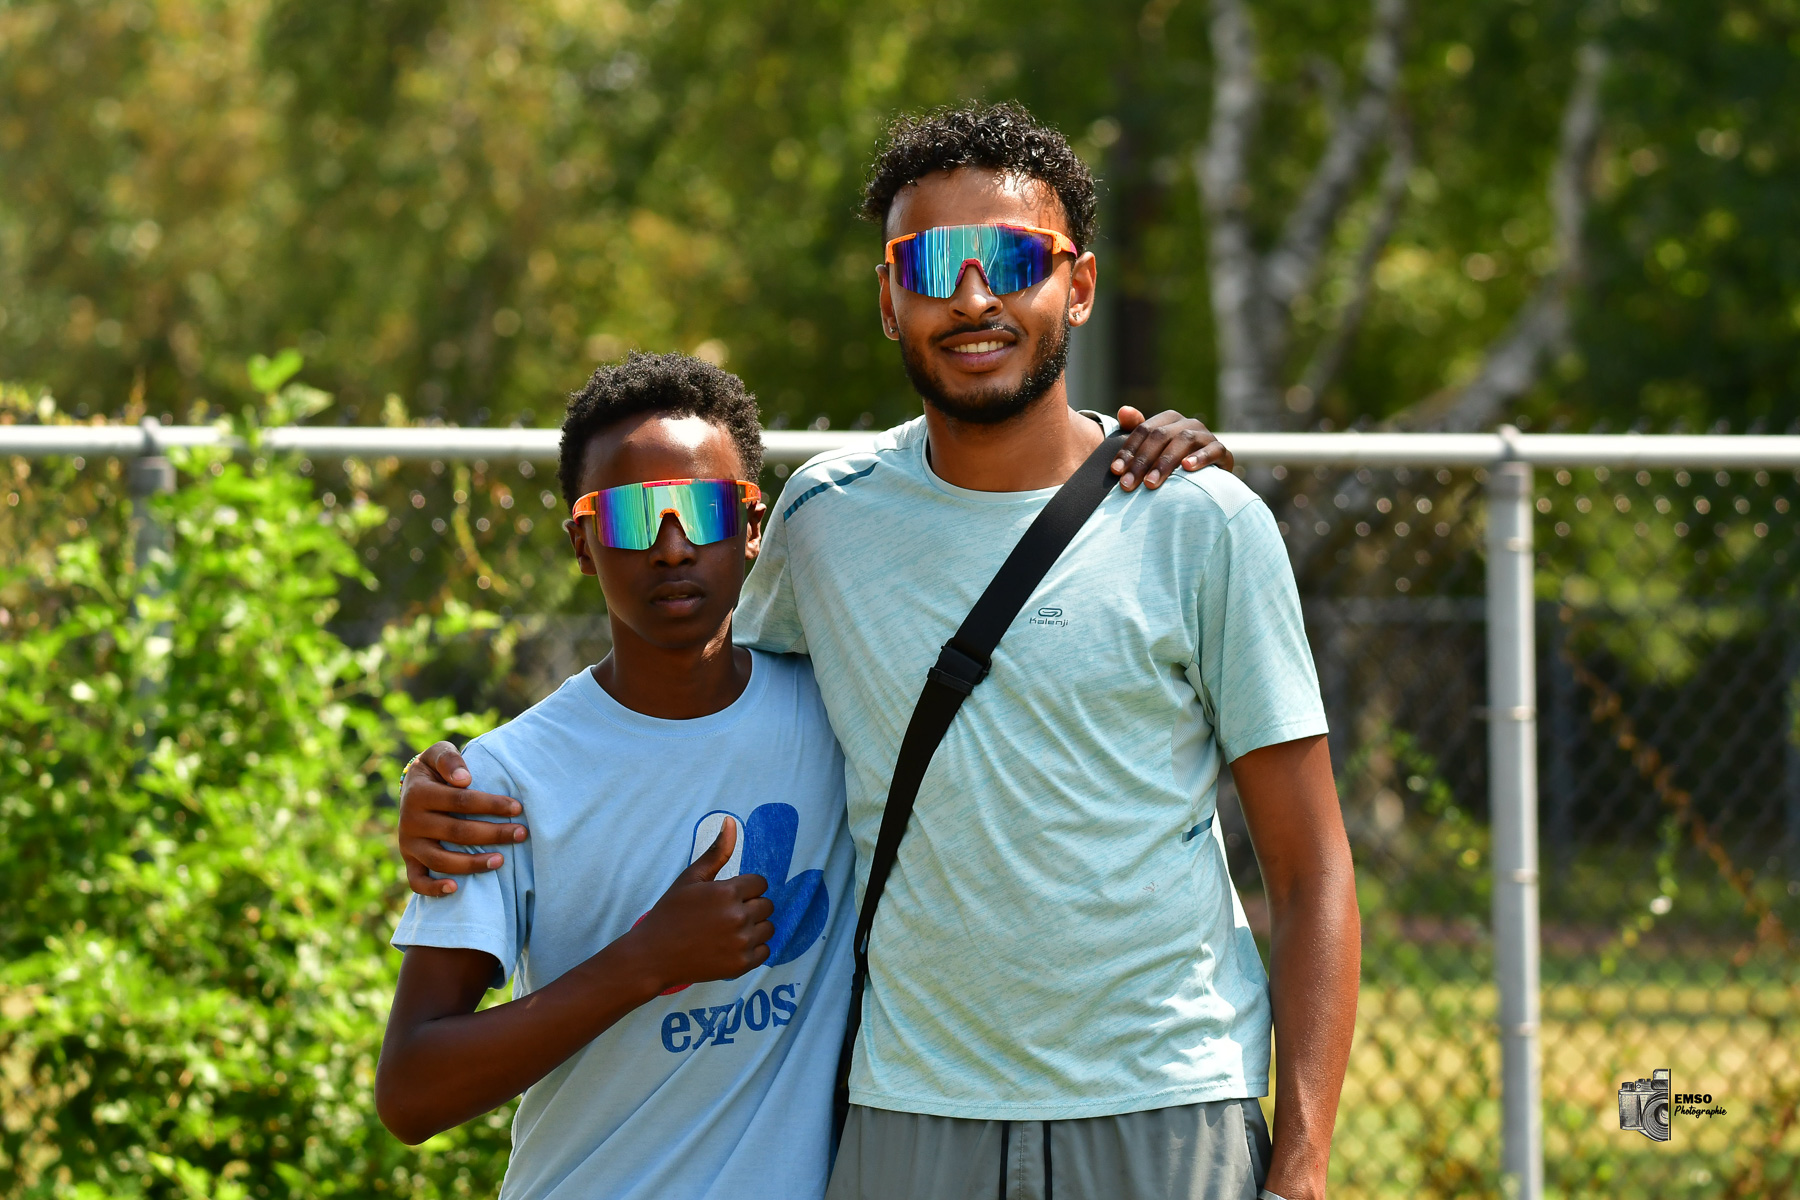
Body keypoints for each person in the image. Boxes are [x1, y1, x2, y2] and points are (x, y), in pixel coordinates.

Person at [401, 102, 1358, 1200]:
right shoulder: (823, 521)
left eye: (1010, 258)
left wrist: (1303, 1166)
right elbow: (696, 703)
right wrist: (440, 791)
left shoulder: (1203, 523)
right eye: (931, 263)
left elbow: (1313, 869)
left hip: (1165, 1102)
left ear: (1078, 286)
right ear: (888, 298)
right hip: (909, 1116)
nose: (972, 297)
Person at [376, 353, 856, 1199]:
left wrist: (1145, 446)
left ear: (752, 528)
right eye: (634, 517)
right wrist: (645, 961)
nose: (672, 547)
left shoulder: (845, 711)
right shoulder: (500, 782)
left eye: (703, 509)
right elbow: (412, 1091)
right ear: (582, 542)